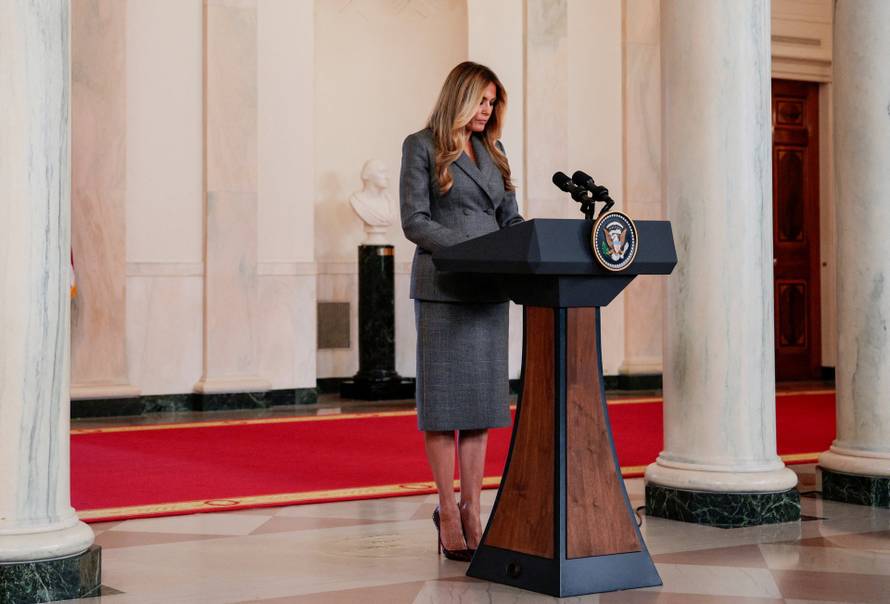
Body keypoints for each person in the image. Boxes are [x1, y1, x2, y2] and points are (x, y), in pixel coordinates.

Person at [399, 61, 523, 561]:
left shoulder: (495, 150)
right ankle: (447, 510)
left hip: (488, 291)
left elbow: (509, 217)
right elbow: (415, 221)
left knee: (479, 410)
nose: (487, 110)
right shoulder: (422, 145)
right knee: (444, 406)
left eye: (493, 103)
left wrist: (524, 244)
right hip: (445, 287)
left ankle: (474, 509)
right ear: (460, 95)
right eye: (481, 100)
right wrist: (467, 252)